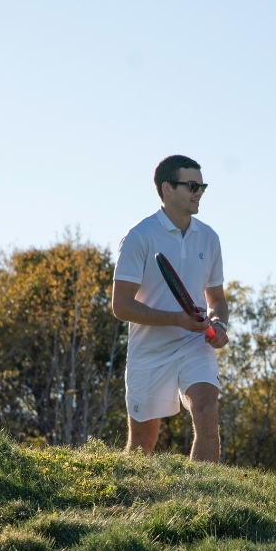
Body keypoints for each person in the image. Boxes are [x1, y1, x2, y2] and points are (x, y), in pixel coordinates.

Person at [111, 155, 230, 461]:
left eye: (202, 186)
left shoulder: (209, 237)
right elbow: (121, 306)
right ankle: (131, 505)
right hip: (148, 352)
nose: (199, 192)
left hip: (194, 344)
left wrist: (220, 325)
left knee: (206, 407)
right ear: (167, 188)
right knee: (141, 447)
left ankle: (206, 500)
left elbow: (216, 299)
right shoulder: (139, 236)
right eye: (192, 185)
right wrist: (176, 319)